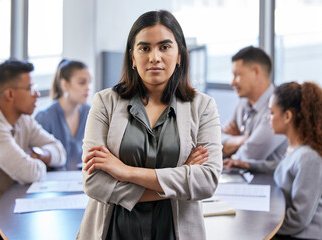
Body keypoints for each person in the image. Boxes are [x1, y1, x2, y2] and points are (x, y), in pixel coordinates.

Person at [77, 10, 222, 240]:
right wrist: (181, 178)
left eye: (164, 47)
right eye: (144, 48)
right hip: (114, 231)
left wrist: (126, 172)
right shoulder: (104, 103)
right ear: (132, 57)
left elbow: (206, 181)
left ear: (180, 55)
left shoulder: (203, 107)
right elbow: (94, 182)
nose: (154, 57)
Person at [0, 59, 66, 240]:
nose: (36, 94)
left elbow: (60, 151)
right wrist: (38, 162)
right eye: (30, 88)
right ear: (10, 94)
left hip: (5, 206)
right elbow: (29, 173)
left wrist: (38, 154)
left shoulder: (23, 119)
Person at [270, 82, 322, 240]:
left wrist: (266, 224)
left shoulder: (309, 158)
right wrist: (250, 165)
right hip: (295, 232)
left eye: (272, 112)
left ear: (287, 116)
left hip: (307, 235)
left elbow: (297, 220)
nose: (269, 118)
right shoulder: (294, 150)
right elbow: (283, 168)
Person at [222, 46, 288, 173]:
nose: (232, 82)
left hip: (270, 187)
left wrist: (228, 148)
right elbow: (212, 143)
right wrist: (238, 141)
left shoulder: (278, 107)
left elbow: (246, 157)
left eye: (237, 74)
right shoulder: (243, 103)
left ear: (256, 72)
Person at [35, 59, 91, 163]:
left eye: (89, 82)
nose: (88, 88)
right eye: (82, 83)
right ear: (65, 84)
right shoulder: (44, 117)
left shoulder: (90, 113)